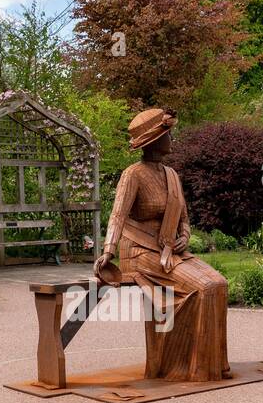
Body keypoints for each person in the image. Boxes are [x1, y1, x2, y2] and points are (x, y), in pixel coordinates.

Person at [94, 106, 231, 383]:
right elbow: (117, 215)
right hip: (139, 252)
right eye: (169, 134)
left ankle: (209, 364)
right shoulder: (132, 174)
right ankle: (184, 365)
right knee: (203, 287)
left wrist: (184, 236)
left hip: (170, 250)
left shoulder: (171, 174)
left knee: (219, 283)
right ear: (155, 141)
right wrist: (108, 251)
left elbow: (184, 218)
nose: (172, 139)